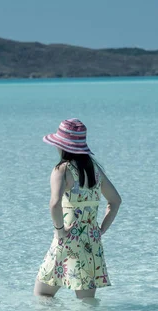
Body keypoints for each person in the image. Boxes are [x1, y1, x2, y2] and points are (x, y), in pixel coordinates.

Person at [34, 118, 122, 299]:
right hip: (91, 240)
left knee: (42, 294)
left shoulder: (62, 170)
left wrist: (60, 230)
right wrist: (100, 229)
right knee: (87, 303)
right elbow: (115, 201)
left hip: (67, 237)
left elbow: (54, 203)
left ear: (62, 146)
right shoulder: (96, 171)